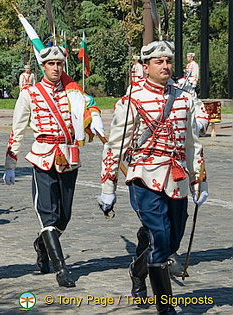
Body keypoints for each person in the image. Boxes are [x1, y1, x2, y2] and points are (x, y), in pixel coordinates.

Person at [99, 41, 208, 314]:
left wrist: (199, 180)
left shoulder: (184, 97)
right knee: (159, 237)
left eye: (169, 61)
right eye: (159, 62)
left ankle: (138, 269)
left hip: (178, 177)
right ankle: (165, 308)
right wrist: (108, 185)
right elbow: (116, 146)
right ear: (145, 67)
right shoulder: (132, 98)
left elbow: (192, 143)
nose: (165, 66)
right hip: (144, 175)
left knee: (172, 240)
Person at [3, 46, 104, 288]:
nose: (56, 68)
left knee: (64, 216)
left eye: (60, 64)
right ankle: (61, 269)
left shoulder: (73, 93)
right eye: (51, 64)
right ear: (43, 67)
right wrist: (10, 163)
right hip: (43, 156)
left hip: (69, 156)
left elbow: (89, 107)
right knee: (47, 213)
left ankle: (41, 244)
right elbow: (18, 129)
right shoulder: (29, 94)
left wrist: (95, 119)